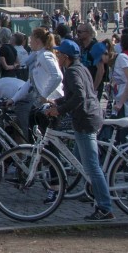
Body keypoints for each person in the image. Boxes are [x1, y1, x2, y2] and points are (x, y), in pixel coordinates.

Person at [45, 39, 114, 221]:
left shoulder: (72, 72)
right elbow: (75, 95)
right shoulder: (81, 68)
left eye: (59, 54)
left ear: (65, 57)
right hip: (90, 116)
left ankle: (105, 207)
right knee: (82, 161)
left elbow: (80, 96)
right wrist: (56, 102)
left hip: (86, 120)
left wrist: (59, 110)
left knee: (92, 167)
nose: (57, 56)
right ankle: (93, 192)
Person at [75, 23, 107, 98]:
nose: (77, 34)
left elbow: (101, 70)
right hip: (83, 84)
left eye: (80, 32)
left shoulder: (96, 47)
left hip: (93, 85)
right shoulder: (80, 46)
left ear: (88, 33)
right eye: (77, 31)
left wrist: (94, 88)